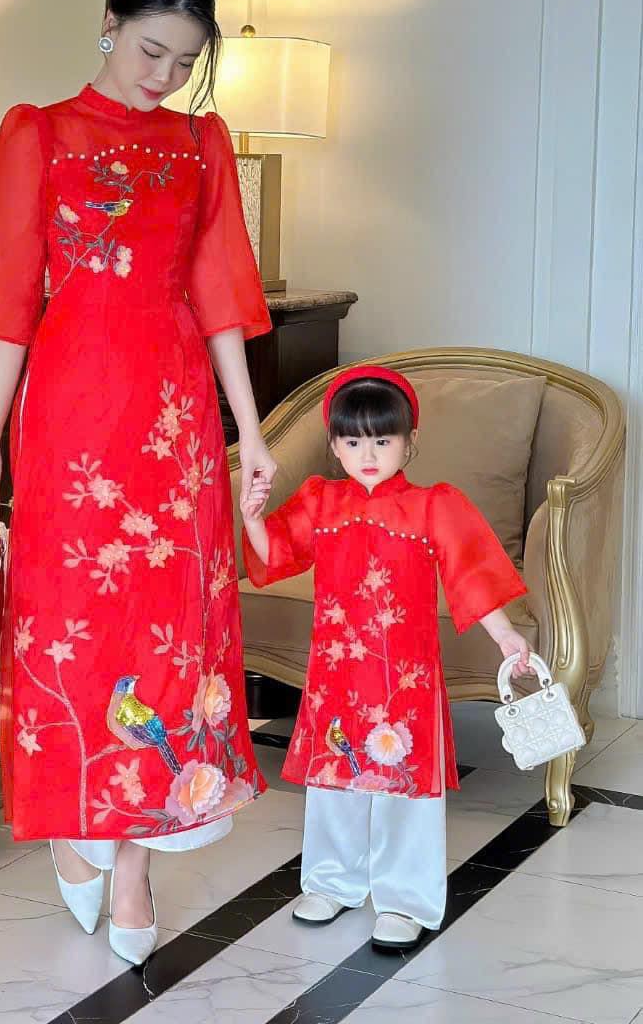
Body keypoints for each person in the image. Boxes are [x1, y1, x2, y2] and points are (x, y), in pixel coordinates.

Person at [0, 0, 277, 965]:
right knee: (72, 621)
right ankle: (75, 817)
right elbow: (10, 299)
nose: (164, 77)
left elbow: (220, 294)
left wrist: (250, 432)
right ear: (108, 25)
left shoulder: (202, 143)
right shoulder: (40, 132)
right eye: (149, 51)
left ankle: (131, 858)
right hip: (71, 408)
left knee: (169, 628)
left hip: (174, 416)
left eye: (184, 61)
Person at [240, 364, 533, 950]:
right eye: (352, 442)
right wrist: (250, 518)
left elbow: (471, 574)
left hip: (407, 678)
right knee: (334, 779)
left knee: (405, 785)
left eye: (382, 439)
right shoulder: (321, 502)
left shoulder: (435, 507)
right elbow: (275, 554)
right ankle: (332, 881)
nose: (367, 454)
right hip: (338, 675)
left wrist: (506, 637)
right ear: (333, 445)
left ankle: (405, 899)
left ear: (409, 440)